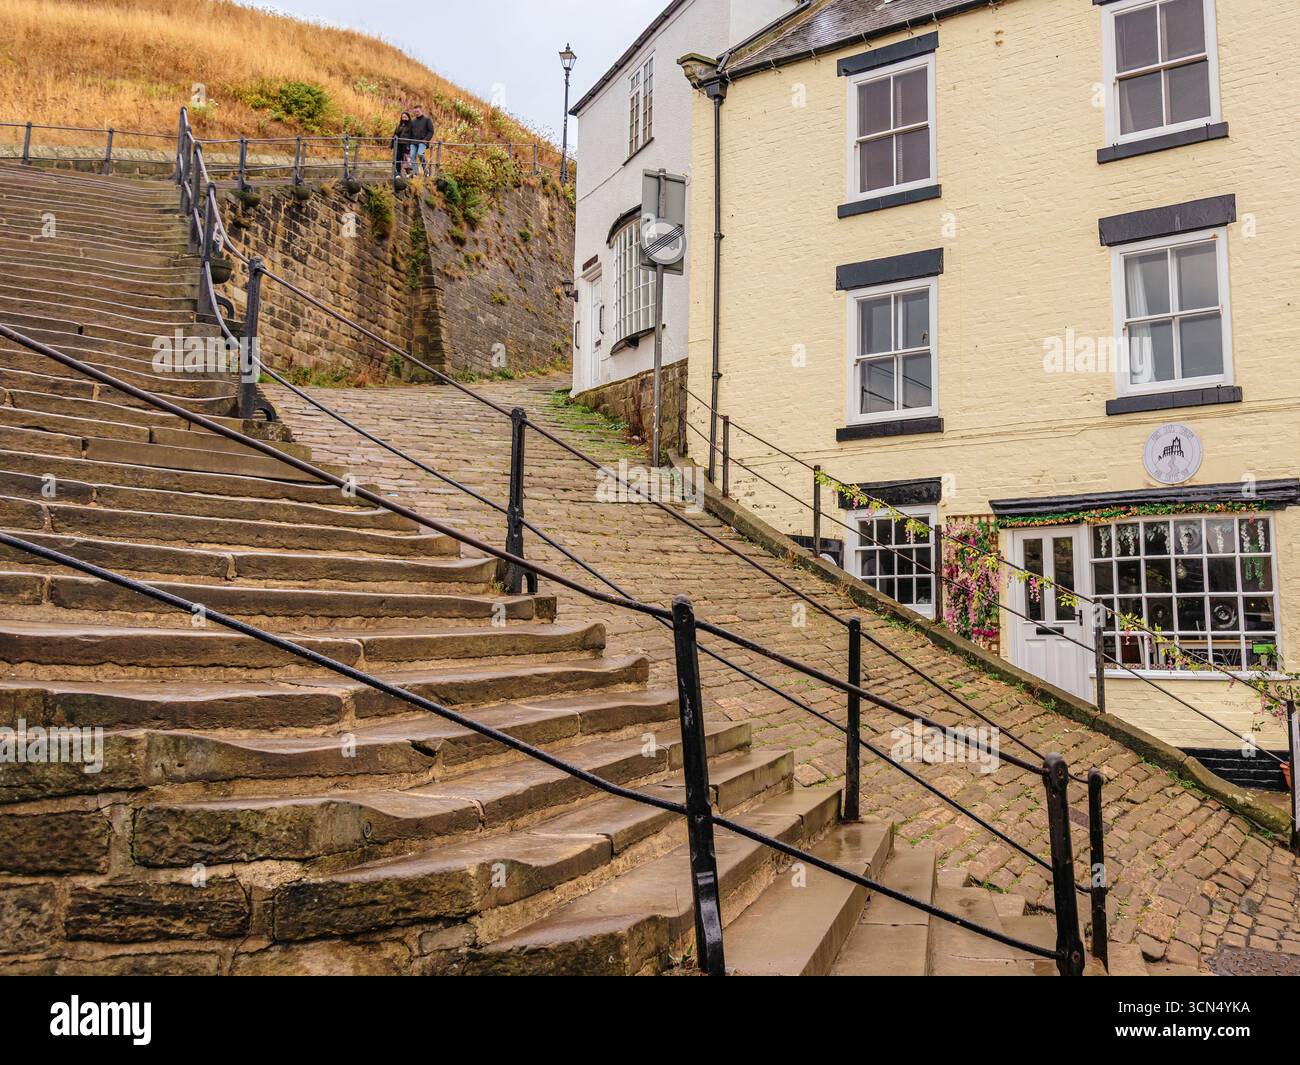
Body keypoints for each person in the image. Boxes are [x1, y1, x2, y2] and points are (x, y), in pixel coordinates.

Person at [408, 104, 435, 176]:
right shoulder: (413, 122)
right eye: (415, 112)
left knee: (420, 154)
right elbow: (410, 133)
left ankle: (426, 171)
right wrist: (409, 143)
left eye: (418, 111)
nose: (416, 113)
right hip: (413, 142)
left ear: (421, 111)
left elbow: (431, 131)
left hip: (422, 142)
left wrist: (426, 139)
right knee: (412, 156)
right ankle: (415, 173)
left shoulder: (427, 120)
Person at [391, 111, 413, 176]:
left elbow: (412, 135)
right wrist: (392, 144)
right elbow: (395, 134)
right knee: (398, 158)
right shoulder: (399, 125)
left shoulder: (411, 125)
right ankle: (398, 173)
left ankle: (408, 173)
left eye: (405, 117)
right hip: (398, 144)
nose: (404, 118)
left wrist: (410, 144)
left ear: (408, 117)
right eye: (403, 117)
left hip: (406, 144)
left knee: (406, 159)